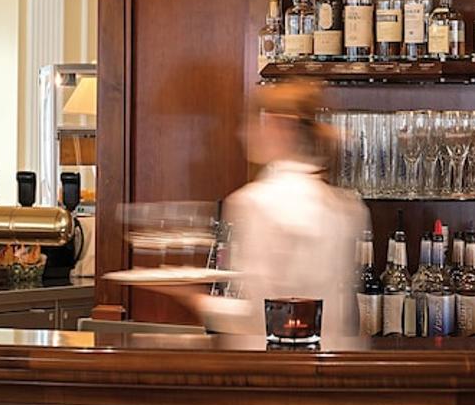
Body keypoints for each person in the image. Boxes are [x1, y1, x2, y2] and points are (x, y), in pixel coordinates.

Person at [155, 81, 371, 337]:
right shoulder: (347, 207)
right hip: (330, 355)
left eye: (249, 123)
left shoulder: (256, 203)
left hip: (274, 357)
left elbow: (261, 316)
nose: (242, 134)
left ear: (276, 125)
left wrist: (191, 297)